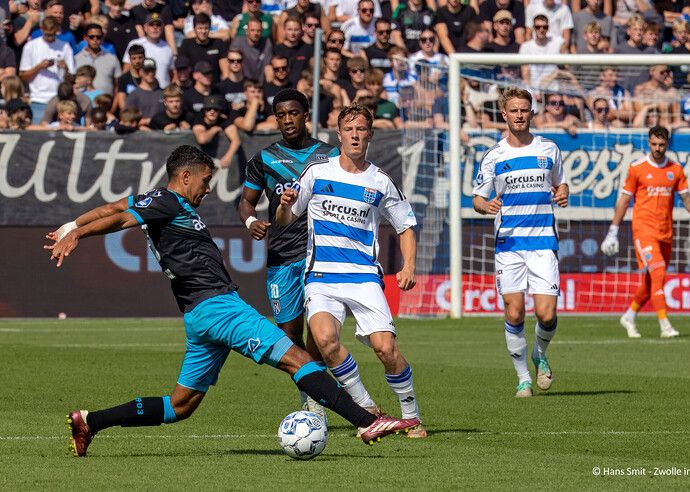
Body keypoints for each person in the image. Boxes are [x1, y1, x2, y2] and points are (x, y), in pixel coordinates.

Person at [45, 145, 419, 457]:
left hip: (199, 316)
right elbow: (120, 219)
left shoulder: (160, 201)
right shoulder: (168, 202)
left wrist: (72, 225)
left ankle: (89, 421)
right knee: (299, 358)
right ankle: (367, 421)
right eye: (206, 181)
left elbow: (113, 208)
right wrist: (80, 236)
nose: (208, 189)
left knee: (181, 406)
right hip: (219, 307)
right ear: (186, 176)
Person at [274, 103, 427, 439]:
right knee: (326, 341)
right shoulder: (317, 172)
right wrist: (284, 206)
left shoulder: (381, 181)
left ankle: (412, 415)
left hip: (363, 278)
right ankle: (368, 409)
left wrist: (409, 266)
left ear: (369, 135)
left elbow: (406, 226)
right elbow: (286, 219)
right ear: (339, 135)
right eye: (350, 129)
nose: (355, 135)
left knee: (386, 349)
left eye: (362, 130)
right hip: (321, 277)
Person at [238, 89, 339, 417]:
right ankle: (310, 384)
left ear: (306, 115)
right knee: (289, 335)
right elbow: (246, 202)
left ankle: (315, 395)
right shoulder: (264, 159)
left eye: (293, 113)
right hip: (282, 256)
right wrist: (251, 220)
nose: (287, 120)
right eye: (281, 115)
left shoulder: (329, 156)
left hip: (320, 254)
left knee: (321, 330)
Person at [471, 87, 568, 398]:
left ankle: (539, 352)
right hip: (509, 245)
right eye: (513, 110)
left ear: (531, 112)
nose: (519, 115)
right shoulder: (494, 156)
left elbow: (560, 181)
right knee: (514, 314)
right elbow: (477, 198)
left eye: (524, 110)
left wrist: (563, 191)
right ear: (504, 114)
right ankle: (523, 377)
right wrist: (485, 206)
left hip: (542, 242)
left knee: (547, 315)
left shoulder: (549, 149)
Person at [600, 126, 690, 338]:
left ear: (667, 144)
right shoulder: (637, 168)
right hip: (643, 230)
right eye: (654, 144)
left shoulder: (675, 169)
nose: (658, 148)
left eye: (661, 145)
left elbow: (686, 198)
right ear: (648, 143)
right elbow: (624, 200)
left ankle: (629, 316)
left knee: (653, 280)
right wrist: (613, 230)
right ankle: (665, 325)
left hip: (665, 232)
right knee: (658, 271)